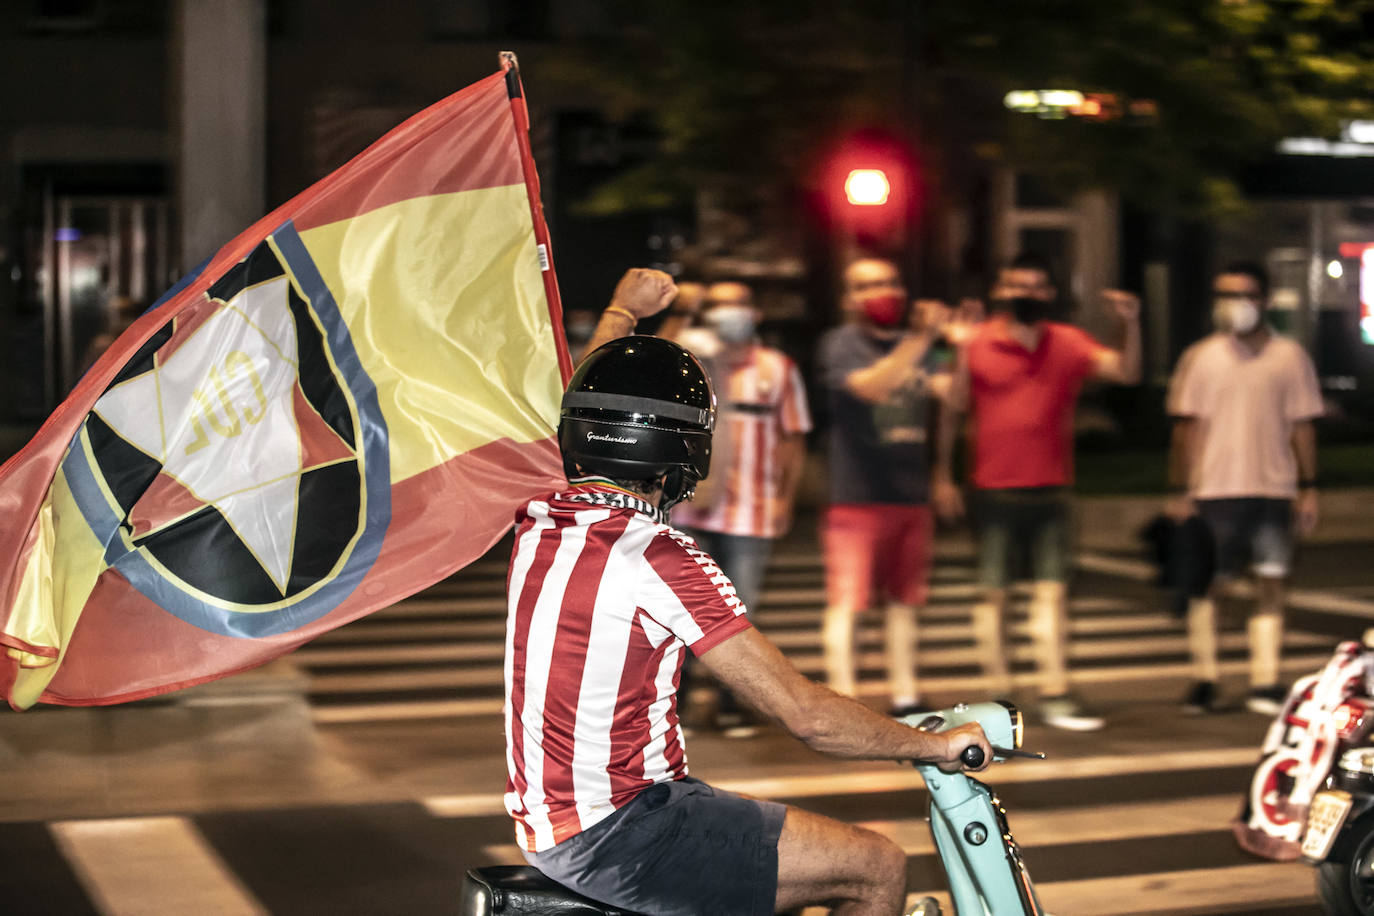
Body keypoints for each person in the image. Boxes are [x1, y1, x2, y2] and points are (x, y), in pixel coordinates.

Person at [505, 267, 991, 916]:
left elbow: (592, 399)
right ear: (684, 451)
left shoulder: (545, 515)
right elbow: (807, 716)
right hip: (626, 830)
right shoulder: (658, 555)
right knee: (877, 865)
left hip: (555, 818)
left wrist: (623, 312)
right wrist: (935, 747)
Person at [933, 252, 1141, 731]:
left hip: (1052, 489)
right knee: (994, 597)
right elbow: (954, 404)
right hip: (992, 489)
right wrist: (943, 475)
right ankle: (1000, 696)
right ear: (1000, 292)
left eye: (1034, 287)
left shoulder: (1066, 342)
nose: (1024, 295)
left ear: (1048, 294)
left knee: (1053, 596)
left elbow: (1125, 372)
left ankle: (1055, 690)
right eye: (1014, 287)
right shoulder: (977, 341)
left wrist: (1130, 325)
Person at [1166, 261, 1322, 716]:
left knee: (1271, 585)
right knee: (1210, 587)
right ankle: (1206, 678)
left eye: (1244, 295)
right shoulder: (1200, 357)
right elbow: (1185, 429)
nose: (1234, 306)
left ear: (1265, 300)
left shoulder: (1290, 356)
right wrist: (1180, 490)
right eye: (1224, 295)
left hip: (1274, 489)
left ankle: (1266, 679)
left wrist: (1309, 488)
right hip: (1214, 491)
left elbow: (1303, 427)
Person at [671, 281, 812, 736]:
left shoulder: (777, 368)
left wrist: (785, 498)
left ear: (755, 312)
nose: (730, 313)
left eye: (738, 305)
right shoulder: (691, 363)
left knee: (740, 613)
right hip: (692, 509)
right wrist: (683, 309)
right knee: (682, 610)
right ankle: (677, 704)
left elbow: (793, 437)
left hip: (751, 510)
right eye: (718, 305)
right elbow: (657, 352)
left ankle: (735, 702)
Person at [817, 258, 954, 716]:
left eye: (891, 282)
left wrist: (960, 345)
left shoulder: (918, 345)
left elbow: (954, 395)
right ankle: (843, 698)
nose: (883, 292)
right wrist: (923, 339)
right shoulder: (841, 344)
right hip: (856, 495)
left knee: (905, 601)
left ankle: (906, 693)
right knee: (849, 603)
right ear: (848, 298)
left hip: (910, 493)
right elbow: (872, 387)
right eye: (868, 285)